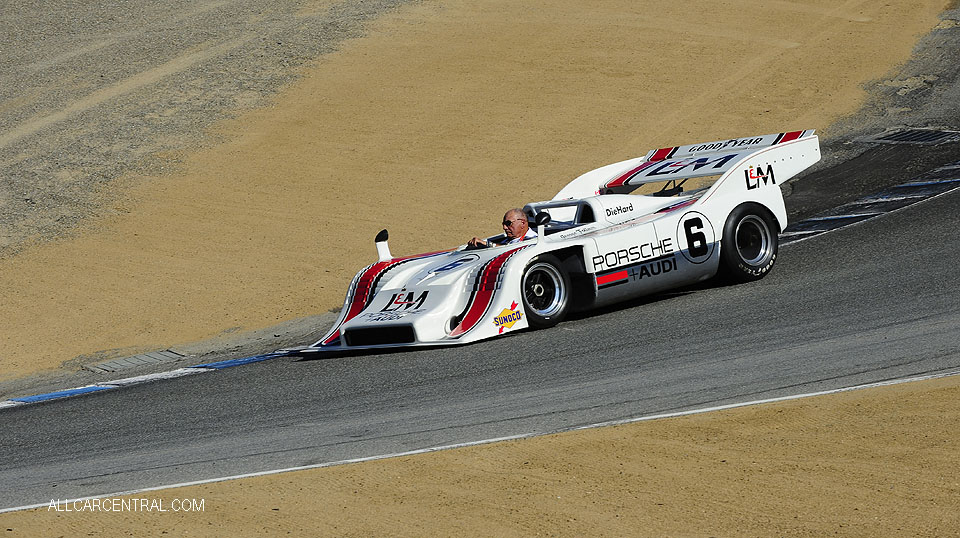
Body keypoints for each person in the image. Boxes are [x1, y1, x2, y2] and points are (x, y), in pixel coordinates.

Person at [468, 208, 537, 248]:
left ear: (523, 223)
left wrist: (487, 244)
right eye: (503, 224)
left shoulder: (534, 241)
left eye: (508, 223)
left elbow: (511, 249)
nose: (504, 228)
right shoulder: (505, 239)